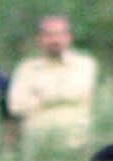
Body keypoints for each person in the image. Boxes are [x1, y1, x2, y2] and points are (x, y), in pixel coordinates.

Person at [8, 14, 99, 151]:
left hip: (77, 145)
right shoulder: (26, 69)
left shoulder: (85, 65)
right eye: (48, 35)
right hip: (37, 148)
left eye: (59, 34)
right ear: (39, 39)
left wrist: (41, 97)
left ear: (69, 38)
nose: (55, 40)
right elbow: (16, 106)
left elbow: (80, 92)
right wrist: (64, 96)